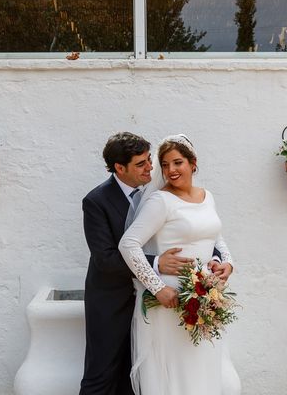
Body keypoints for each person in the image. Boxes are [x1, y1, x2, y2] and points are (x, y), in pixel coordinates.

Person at [80, 132, 228, 395]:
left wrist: (220, 261)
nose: (152, 167)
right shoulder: (97, 201)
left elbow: (203, 234)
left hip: (164, 299)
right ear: (119, 168)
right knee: (102, 375)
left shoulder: (161, 194)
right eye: (141, 163)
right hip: (112, 301)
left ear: (192, 163)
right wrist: (158, 265)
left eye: (150, 160)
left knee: (137, 377)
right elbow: (106, 258)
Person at [118, 134, 238, 395]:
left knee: (203, 365)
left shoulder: (208, 197)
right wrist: (157, 287)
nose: (170, 170)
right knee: (177, 371)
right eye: (164, 164)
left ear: (193, 163)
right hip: (171, 301)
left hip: (205, 298)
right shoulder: (160, 201)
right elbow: (128, 244)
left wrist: (226, 264)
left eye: (177, 162)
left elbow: (216, 238)